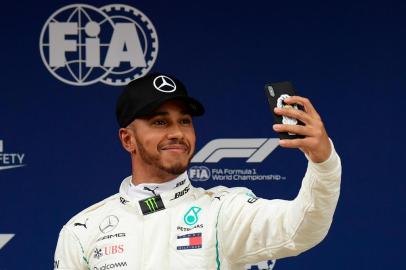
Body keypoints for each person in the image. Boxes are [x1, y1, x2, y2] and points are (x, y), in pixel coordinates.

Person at [54, 73, 341, 270]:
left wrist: (323, 161)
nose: (178, 133)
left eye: (185, 121)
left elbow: (302, 228)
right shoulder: (83, 230)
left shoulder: (223, 211)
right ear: (128, 139)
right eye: (160, 122)